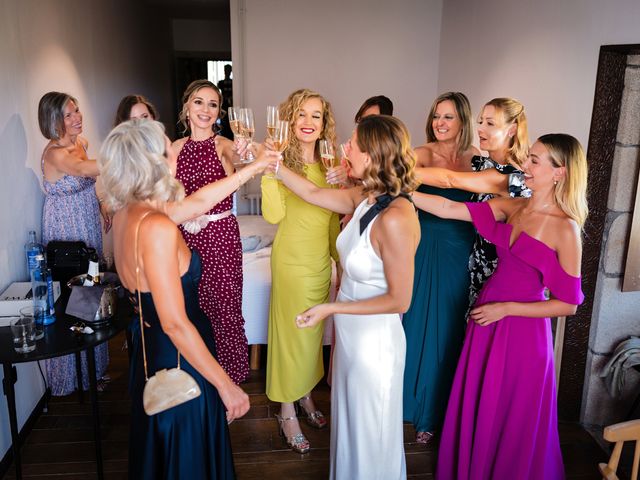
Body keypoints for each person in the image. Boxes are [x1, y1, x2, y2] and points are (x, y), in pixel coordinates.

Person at [413, 134, 588, 479]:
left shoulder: (565, 228)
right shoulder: (513, 205)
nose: (525, 166)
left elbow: (568, 305)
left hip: (523, 335)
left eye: (535, 161)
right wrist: (399, 188)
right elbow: (449, 208)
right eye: (529, 158)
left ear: (560, 172)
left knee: (510, 414)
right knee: (482, 403)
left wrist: (506, 308)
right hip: (487, 321)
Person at [99, 119, 262, 479]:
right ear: (154, 162)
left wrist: (254, 167)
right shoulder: (156, 227)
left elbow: (200, 201)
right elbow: (174, 322)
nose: (174, 153)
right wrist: (226, 385)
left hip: (151, 350)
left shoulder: (128, 213)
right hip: (179, 358)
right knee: (186, 460)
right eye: (166, 149)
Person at [275, 114, 420, 479]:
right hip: (352, 338)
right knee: (350, 427)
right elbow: (311, 193)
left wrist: (331, 306)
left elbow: (400, 301)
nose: (345, 149)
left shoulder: (398, 216)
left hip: (375, 343)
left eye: (352, 144)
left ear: (371, 155)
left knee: (371, 432)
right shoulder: (365, 196)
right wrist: (273, 166)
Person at [261, 88, 341, 454]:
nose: (309, 122)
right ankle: (287, 409)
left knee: (312, 337)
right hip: (291, 262)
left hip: (318, 264)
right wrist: (268, 171)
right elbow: (274, 216)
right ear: (290, 121)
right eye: (302, 114)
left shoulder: (330, 164)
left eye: (316, 116)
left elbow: (330, 220)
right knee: (292, 336)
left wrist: (336, 260)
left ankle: (305, 393)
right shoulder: (282, 163)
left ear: (325, 124)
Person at [402, 92, 479, 444]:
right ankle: (408, 404)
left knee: (450, 327)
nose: (440, 123)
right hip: (423, 245)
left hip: (462, 249)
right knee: (417, 322)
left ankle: (438, 410)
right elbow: (394, 186)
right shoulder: (418, 154)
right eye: (436, 116)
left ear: (463, 120)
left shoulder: (478, 161)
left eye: (448, 117)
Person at [416, 97, 531, 308]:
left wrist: (394, 174)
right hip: (474, 268)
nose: (481, 129)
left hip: (498, 275)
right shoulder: (483, 163)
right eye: (481, 121)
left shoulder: (510, 176)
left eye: (490, 123)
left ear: (512, 130)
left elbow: (450, 180)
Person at [173, 79, 250, 384]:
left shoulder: (224, 145)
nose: (205, 109)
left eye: (213, 104)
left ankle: (231, 380)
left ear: (219, 113)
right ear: (187, 108)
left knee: (225, 307)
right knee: (192, 307)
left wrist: (247, 150)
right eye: (198, 102)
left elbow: (244, 158)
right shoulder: (175, 149)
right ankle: (200, 377)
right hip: (184, 239)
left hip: (220, 237)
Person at [37, 91, 108, 396]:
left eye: (77, 111)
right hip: (65, 232)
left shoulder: (82, 143)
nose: (77, 118)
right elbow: (84, 171)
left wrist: (103, 201)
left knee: (91, 295)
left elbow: (94, 179)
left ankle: (92, 373)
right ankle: (70, 379)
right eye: (68, 114)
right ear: (53, 120)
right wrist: (127, 153)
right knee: (71, 301)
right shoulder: (54, 153)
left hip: (88, 225)